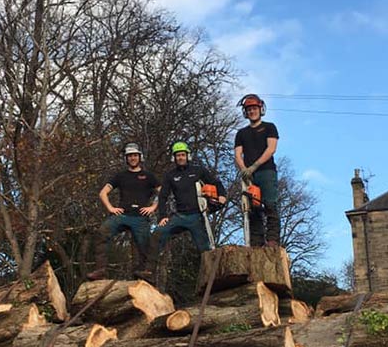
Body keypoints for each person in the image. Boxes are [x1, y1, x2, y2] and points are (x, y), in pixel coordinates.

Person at [138, 141, 226, 281]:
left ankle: (212, 279)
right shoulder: (170, 175)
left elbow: (216, 182)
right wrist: (162, 216)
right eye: (178, 155)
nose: (180, 157)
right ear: (174, 157)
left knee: (204, 249)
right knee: (158, 233)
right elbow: (163, 196)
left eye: (182, 155)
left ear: (187, 155)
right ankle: (149, 272)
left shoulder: (198, 170)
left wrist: (222, 196)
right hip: (179, 216)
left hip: (197, 216)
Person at [87, 142, 160, 280]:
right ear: (126, 158)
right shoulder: (120, 176)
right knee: (102, 233)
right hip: (122, 215)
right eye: (130, 156)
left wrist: (153, 207)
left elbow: (163, 192)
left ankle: (146, 274)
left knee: (145, 245)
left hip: (140, 217)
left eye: (135, 155)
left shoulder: (148, 176)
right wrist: (110, 208)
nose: (133, 158)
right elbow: (103, 193)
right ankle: (100, 270)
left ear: (140, 157)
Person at [234, 94, 280, 247]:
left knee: (270, 205)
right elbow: (238, 154)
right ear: (245, 112)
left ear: (260, 109)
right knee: (253, 208)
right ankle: (256, 243)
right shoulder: (241, 134)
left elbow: (271, 149)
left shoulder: (269, 127)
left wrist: (255, 165)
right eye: (249, 109)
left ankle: (272, 240)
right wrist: (245, 170)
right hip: (249, 176)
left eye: (254, 108)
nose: (252, 111)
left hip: (266, 171)